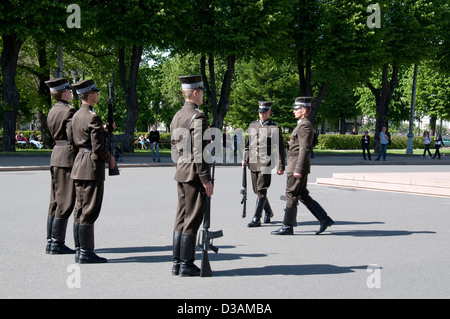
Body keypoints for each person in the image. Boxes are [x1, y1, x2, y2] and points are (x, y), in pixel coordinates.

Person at [68, 79, 116, 264]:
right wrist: (110, 158)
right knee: (89, 209)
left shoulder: (76, 116)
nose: (97, 95)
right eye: (95, 92)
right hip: (91, 166)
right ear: (90, 95)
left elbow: (74, 140)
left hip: (79, 162)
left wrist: (103, 131)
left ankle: (80, 249)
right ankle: (86, 253)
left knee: (79, 209)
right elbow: (97, 148)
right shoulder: (92, 117)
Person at [272, 97, 334, 236]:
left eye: (296, 109)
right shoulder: (301, 124)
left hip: (297, 166)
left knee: (291, 193)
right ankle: (324, 219)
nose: (294, 111)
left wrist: (298, 169)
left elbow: (305, 148)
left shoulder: (305, 125)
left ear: (304, 110)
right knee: (302, 194)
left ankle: (287, 226)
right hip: (297, 164)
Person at [170, 75, 213, 277]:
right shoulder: (198, 117)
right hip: (194, 173)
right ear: (195, 92)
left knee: (181, 217)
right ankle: (186, 264)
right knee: (193, 217)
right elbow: (199, 151)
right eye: (202, 91)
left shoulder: (177, 116)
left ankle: (177, 262)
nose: (203, 95)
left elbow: (174, 147)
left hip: (181, 169)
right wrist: (205, 179)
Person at [44, 78, 77, 255]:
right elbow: (74, 135)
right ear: (64, 93)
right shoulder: (69, 111)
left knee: (55, 200)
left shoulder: (52, 111)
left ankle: (50, 240)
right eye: (69, 90)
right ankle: (57, 242)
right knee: (65, 200)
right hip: (67, 156)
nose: (71, 93)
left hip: (56, 153)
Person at [244, 101, 285, 227]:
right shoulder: (253, 125)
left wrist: (281, 166)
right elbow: (247, 145)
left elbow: (280, 149)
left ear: (269, 112)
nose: (262, 114)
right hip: (253, 162)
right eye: (260, 112)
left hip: (266, 163)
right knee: (256, 190)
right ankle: (268, 212)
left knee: (261, 190)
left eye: (264, 112)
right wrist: (245, 158)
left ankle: (256, 218)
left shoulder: (274, 128)